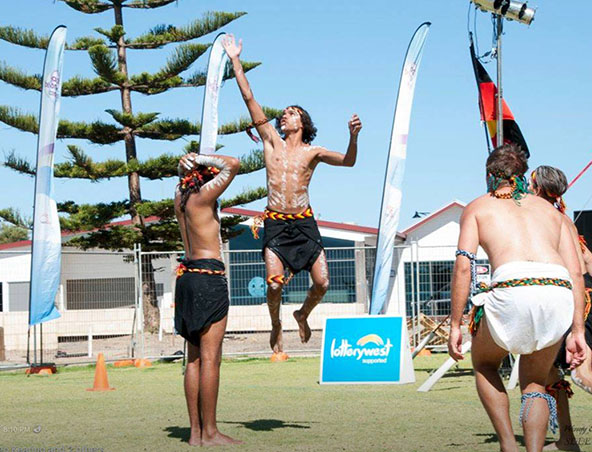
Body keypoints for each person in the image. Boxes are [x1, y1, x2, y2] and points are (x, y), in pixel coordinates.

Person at [221, 34, 362, 355]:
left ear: (302, 122)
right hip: (275, 223)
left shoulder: (314, 152)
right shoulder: (271, 141)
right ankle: (275, 322)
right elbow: (249, 98)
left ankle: (302, 313)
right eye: (283, 113)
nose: (283, 115)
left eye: (291, 113)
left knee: (323, 283)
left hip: (303, 223)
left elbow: (350, 161)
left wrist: (353, 137)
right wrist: (235, 60)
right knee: (274, 283)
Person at [448, 144, 587, 452]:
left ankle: (509, 446)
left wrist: (455, 324)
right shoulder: (554, 213)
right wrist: (578, 331)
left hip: (513, 287)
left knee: (484, 363)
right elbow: (576, 274)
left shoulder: (478, 207)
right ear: (524, 176)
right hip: (557, 292)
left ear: (489, 176)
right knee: (535, 381)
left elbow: (463, 267)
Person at [174, 152, 241, 446]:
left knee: (193, 360)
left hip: (186, 278)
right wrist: (199, 156)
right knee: (211, 358)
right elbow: (234, 164)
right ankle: (211, 432)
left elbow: (182, 177)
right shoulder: (202, 196)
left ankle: (195, 434)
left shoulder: (179, 197)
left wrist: (184, 165)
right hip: (208, 278)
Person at [529, 165, 592, 452]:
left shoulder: (548, 219)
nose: (527, 189)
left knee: (581, 373)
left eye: (531, 185)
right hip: (578, 297)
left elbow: (578, 267)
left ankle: (566, 439)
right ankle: (566, 439)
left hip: (572, 301)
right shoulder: (564, 219)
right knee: (549, 374)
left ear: (539, 188)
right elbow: (588, 260)